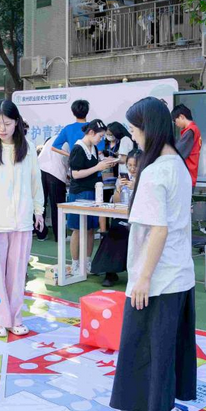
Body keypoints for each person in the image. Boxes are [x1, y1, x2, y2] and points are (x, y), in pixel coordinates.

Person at [110, 96, 196, 411]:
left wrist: (143, 278)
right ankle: (157, 410)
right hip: (177, 272)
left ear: (149, 128)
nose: (133, 137)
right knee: (162, 346)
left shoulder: (156, 171)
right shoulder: (176, 163)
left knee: (149, 347)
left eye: (134, 130)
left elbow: (158, 230)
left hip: (158, 276)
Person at [0, 100, 44, 338]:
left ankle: (15, 317)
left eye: (7, 123)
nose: (2, 128)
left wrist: (39, 210)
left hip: (22, 220)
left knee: (17, 272)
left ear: (17, 123)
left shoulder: (28, 149)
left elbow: (36, 181)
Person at [68, 120, 116, 274]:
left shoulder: (93, 148)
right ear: (91, 133)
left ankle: (87, 262)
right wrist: (97, 167)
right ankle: (75, 263)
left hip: (93, 191)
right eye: (100, 136)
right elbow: (75, 174)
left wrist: (105, 163)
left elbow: (93, 166)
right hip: (79, 192)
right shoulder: (78, 148)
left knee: (90, 229)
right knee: (78, 229)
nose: (101, 139)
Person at [91, 151, 140, 287]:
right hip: (121, 216)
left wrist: (136, 187)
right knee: (113, 233)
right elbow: (116, 201)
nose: (132, 169)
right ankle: (109, 272)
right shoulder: (122, 178)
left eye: (135, 165)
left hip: (137, 219)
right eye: (129, 165)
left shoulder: (146, 180)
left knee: (124, 233)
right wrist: (119, 189)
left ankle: (124, 272)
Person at [38, 134, 68, 243]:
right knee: (58, 206)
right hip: (56, 173)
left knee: (40, 204)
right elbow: (68, 160)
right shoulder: (69, 141)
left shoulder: (52, 138)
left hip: (40, 170)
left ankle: (41, 234)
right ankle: (59, 236)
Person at [171, 105, 201, 187]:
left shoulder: (190, 131)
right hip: (190, 175)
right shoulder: (194, 129)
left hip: (187, 176)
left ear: (181, 117)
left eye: (175, 121)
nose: (176, 124)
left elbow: (178, 153)